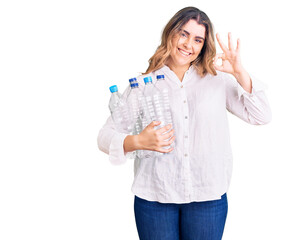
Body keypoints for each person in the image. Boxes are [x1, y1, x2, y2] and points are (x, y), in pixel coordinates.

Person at [97, 6, 271, 240]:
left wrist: (239, 72)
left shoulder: (217, 81)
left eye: (198, 39)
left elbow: (261, 115)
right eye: (184, 34)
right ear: (170, 32)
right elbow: (105, 136)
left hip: (207, 198)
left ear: (203, 46)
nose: (189, 44)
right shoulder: (143, 85)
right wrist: (136, 141)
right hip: (155, 199)